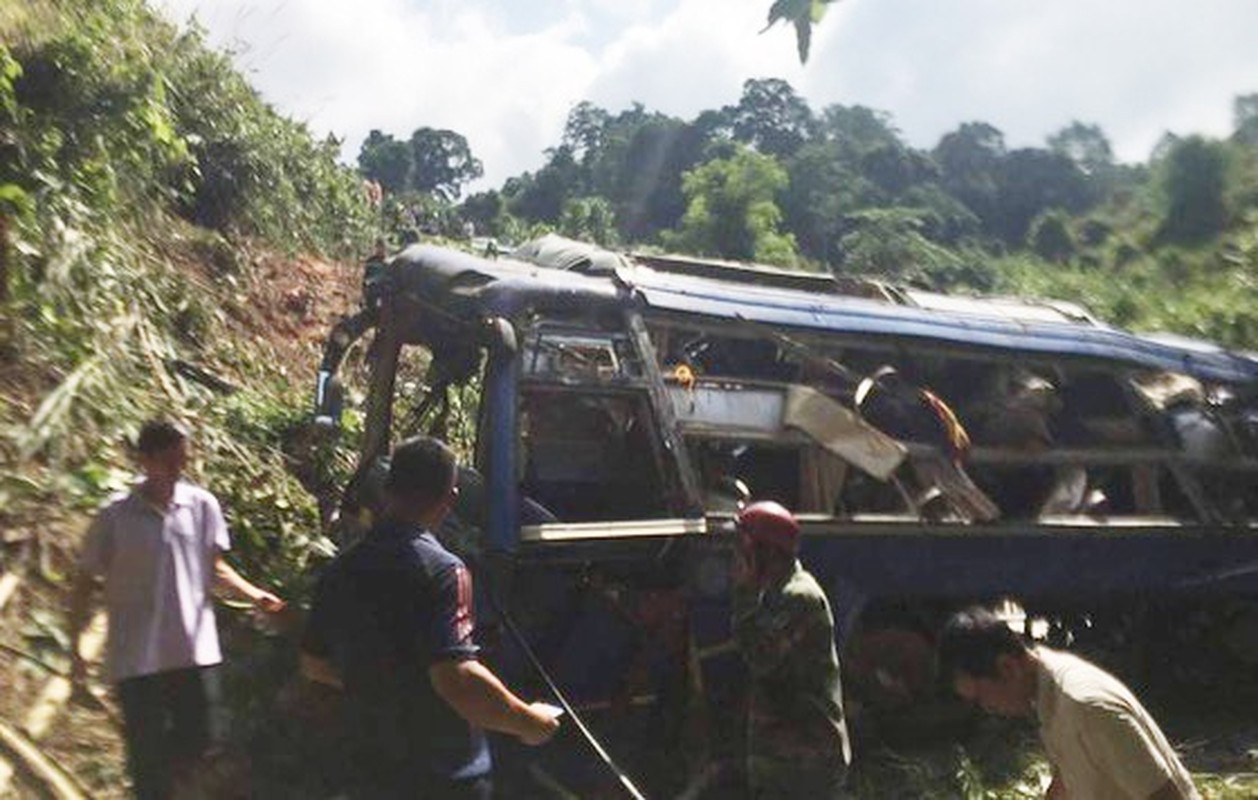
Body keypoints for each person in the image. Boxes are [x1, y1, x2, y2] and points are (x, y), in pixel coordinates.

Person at [299, 436, 560, 799]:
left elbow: (314, 663)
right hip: (439, 778)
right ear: (450, 499)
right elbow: (457, 679)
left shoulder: (342, 567)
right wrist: (528, 723)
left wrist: (383, 681)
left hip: (365, 772)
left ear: (387, 490)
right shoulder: (443, 571)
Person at [68, 419, 286, 800]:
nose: (178, 470)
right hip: (137, 662)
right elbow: (84, 586)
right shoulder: (114, 518)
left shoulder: (202, 506)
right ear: (145, 460)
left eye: (182, 461)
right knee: (149, 766)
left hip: (193, 656)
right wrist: (76, 654)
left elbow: (215, 568)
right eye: (169, 461)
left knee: (200, 757)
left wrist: (256, 596)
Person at [938, 606, 1200, 800]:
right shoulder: (1047, 693)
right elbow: (1069, 776)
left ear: (1007, 668)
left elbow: (1165, 797)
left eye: (981, 697)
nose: (986, 708)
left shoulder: (1086, 707)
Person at [731, 500, 851, 799]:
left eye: (745, 551)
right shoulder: (776, 594)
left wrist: (743, 594)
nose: (737, 559)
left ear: (767, 553)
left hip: (805, 760)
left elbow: (761, 656)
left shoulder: (799, 597)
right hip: (787, 758)